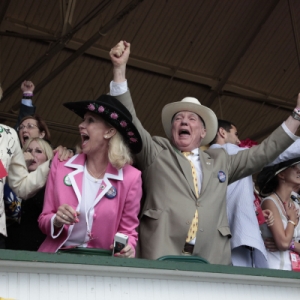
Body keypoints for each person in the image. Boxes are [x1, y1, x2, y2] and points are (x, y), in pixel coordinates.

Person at [108, 40, 300, 264]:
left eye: (191, 118)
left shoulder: (221, 160)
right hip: (159, 253)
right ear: (172, 130)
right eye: (178, 118)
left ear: (203, 132)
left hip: (211, 258)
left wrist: (296, 115)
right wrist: (119, 70)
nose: (184, 121)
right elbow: (130, 122)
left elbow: (265, 153)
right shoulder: (157, 151)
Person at [38, 95, 143, 258]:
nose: (81, 125)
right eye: (83, 120)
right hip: (57, 259)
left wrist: (127, 247)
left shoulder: (131, 177)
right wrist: (56, 221)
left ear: (109, 132)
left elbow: (128, 231)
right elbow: (44, 219)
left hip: (101, 267)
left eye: (90, 120)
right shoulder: (61, 165)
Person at [209, 119, 269, 267]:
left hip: (216, 239)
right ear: (222, 132)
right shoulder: (231, 151)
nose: (238, 140)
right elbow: (273, 151)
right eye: (235, 134)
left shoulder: (204, 157)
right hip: (242, 237)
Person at [0, 86, 51, 248]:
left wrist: (54, 163)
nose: (24, 130)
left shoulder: (7, 135)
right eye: (22, 127)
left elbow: (21, 185)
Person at [6, 138, 53, 251]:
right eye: (28, 150)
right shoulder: (10, 180)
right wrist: (21, 166)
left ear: (48, 158)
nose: (32, 154)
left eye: (38, 151)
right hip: (10, 246)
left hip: (40, 248)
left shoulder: (52, 185)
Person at [257, 157, 300, 270]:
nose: (299, 170)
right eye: (293, 167)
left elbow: (286, 244)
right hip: (275, 270)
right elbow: (283, 244)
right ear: (281, 174)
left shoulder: (296, 206)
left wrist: (292, 245)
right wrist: (292, 220)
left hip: (295, 273)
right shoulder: (269, 202)